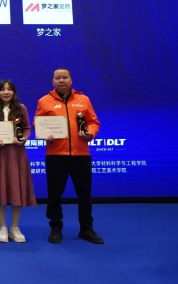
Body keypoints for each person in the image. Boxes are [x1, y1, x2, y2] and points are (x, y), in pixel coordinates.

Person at [34, 68, 103, 244]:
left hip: (81, 154)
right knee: (54, 195)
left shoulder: (83, 99)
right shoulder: (44, 101)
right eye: (58, 78)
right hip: (55, 155)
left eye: (65, 77)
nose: (61, 80)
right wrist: (45, 134)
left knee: (84, 194)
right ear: (53, 81)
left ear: (71, 80)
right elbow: (38, 123)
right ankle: (56, 227)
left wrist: (90, 133)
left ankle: (86, 229)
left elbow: (93, 122)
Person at [0, 79, 37, 243]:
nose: (6, 92)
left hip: (17, 153)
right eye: (2, 89)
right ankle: (3, 227)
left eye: (9, 89)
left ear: (14, 92)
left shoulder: (21, 108)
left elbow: (27, 128)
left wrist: (23, 139)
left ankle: (14, 227)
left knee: (16, 188)